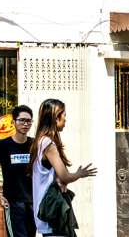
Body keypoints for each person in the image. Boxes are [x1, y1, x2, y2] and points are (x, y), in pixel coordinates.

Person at [29, 99, 97, 237]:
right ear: (55, 117)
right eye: (64, 115)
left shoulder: (40, 141)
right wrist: (80, 173)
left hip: (47, 210)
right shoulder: (48, 143)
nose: (66, 119)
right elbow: (65, 175)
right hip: (51, 210)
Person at [0, 105, 36, 237]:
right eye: (22, 120)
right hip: (13, 202)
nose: (26, 124)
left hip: (33, 201)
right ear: (14, 122)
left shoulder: (34, 144)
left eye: (29, 121)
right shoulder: (4, 145)